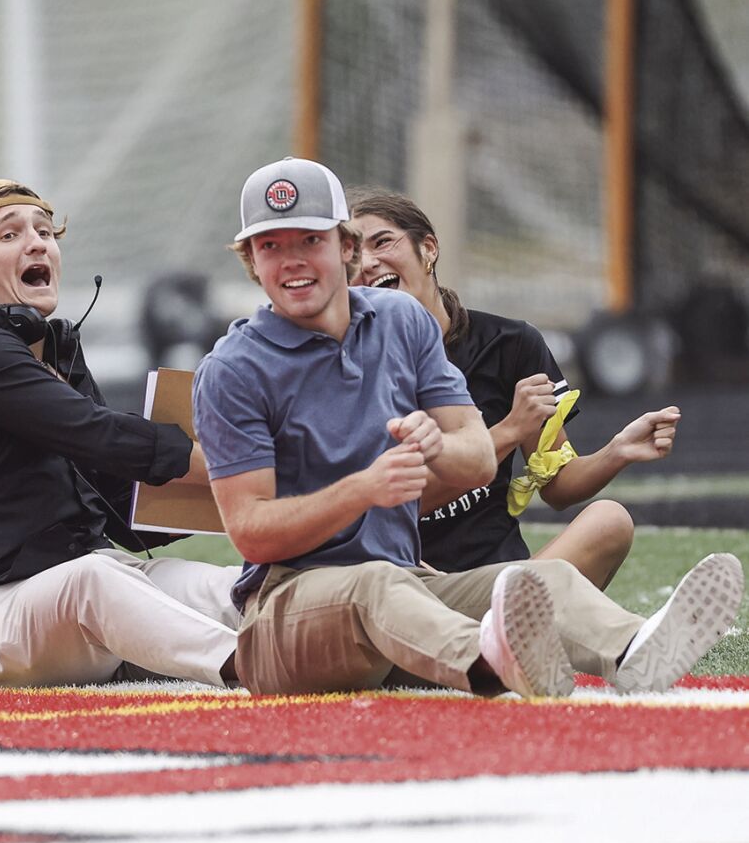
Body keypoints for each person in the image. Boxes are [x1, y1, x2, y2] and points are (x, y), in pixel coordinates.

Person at [193, 157, 743, 698]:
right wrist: (364, 489)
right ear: (251, 261)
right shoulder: (232, 369)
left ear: (344, 246)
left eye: (308, 241)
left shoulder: (403, 321)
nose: (291, 261)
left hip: (406, 587)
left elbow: (477, 458)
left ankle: (635, 650)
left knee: (529, 581)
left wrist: (436, 448)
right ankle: (493, 659)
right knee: (375, 584)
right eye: (271, 246)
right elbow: (250, 530)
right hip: (282, 619)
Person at [0, 179, 243, 689]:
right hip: (6, 622)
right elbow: (98, 433)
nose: (36, 243)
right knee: (97, 579)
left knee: (237, 586)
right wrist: (235, 466)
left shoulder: (53, 346)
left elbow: (119, 505)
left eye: (45, 231)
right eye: (9, 235)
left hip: (91, 592)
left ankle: (358, 640)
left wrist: (230, 505)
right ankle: (257, 662)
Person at [348, 189, 674, 588]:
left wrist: (616, 451)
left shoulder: (510, 344)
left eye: (382, 241)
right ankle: (526, 631)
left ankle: (511, 620)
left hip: (502, 580)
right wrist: (508, 431)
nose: (367, 262)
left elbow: (557, 486)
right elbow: (383, 509)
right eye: (351, 255)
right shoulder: (346, 365)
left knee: (610, 521)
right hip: (409, 588)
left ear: (428, 248)